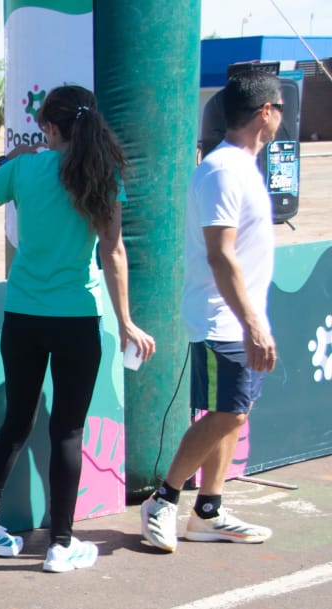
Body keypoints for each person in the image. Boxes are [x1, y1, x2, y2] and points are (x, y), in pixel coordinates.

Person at [0, 85, 155, 573]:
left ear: (51, 128)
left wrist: (9, 160)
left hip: (23, 317)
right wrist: (125, 321)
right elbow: (114, 252)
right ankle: (60, 545)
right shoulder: (100, 174)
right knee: (67, 430)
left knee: (17, 422)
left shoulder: (25, 168)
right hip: (77, 319)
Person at [139, 73, 283, 552]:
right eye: (280, 107)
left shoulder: (240, 167)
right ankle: (163, 499)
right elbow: (220, 255)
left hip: (238, 317)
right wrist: (252, 324)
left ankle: (208, 511)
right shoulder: (223, 170)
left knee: (233, 414)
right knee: (225, 415)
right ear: (266, 112)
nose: (283, 116)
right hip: (225, 319)